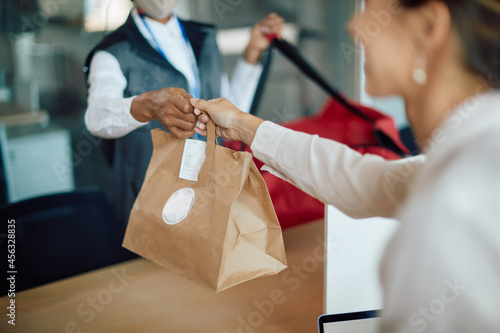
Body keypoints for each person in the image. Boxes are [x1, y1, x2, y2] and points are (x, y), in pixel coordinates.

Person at [191, 0, 500, 332]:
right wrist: (244, 126)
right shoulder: (472, 156)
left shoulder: (460, 196)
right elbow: (365, 179)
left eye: (373, 7)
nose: (354, 27)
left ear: (429, 26)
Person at [83, 0, 284, 223]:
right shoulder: (113, 51)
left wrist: (252, 50)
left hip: (210, 186)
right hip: (148, 196)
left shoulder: (203, 37)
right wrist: (149, 105)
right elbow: (97, 118)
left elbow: (231, 109)